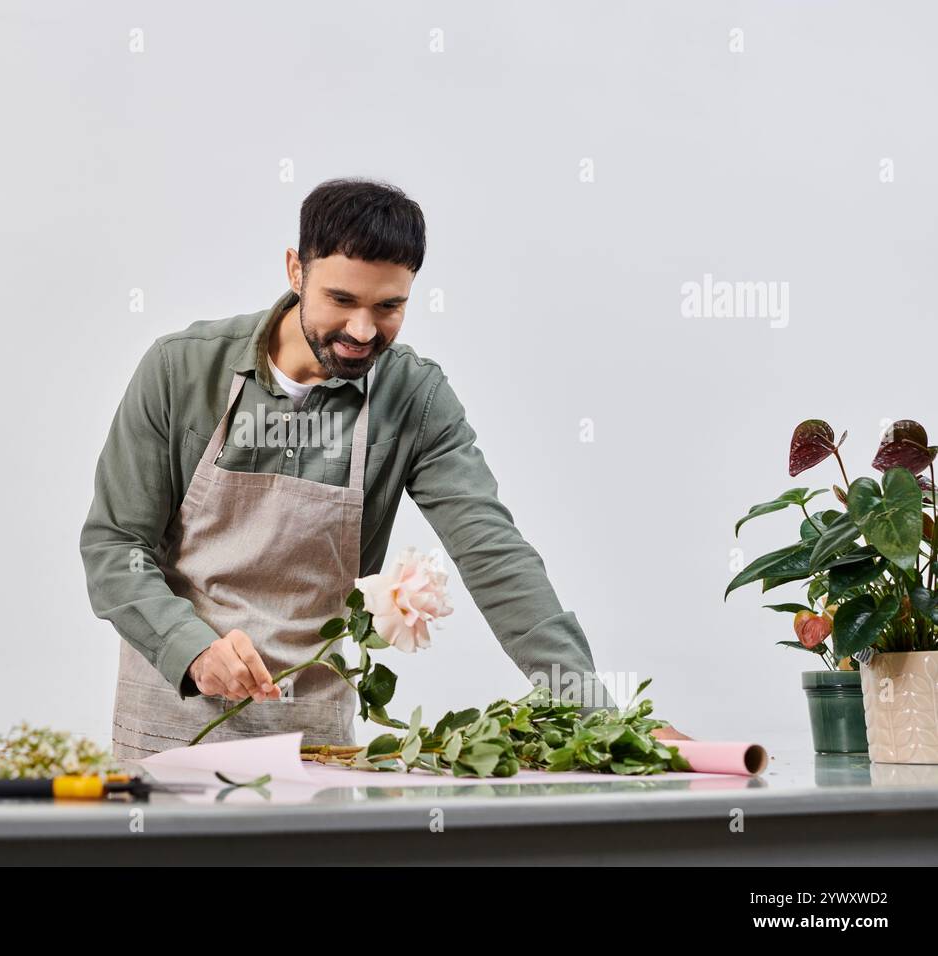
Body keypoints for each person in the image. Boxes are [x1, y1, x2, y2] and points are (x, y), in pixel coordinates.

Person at [81, 177, 686, 759]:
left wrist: (605, 719)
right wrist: (191, 649)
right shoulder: (180, 371)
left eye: (389, 306)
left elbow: (494, 555)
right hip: (170, 722)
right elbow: (115, 546)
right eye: (341, 300)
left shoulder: (414, 400)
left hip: (313, 739)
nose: (362, 331)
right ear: (296, 270)